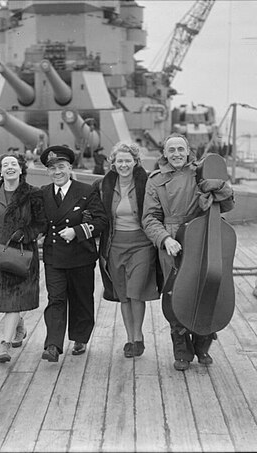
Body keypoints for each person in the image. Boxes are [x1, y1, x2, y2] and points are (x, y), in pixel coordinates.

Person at [142, 133, 234, 371]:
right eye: (171, 150)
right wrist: (165, 239)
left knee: (208, 285)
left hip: (202, 237)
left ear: (187, 151)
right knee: (176, 293)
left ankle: (202, 344)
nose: (176, 154)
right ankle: (182, 351)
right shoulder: (155, 180)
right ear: (164, 154)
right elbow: (150, 218)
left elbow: (226, 204)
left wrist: (222, 188)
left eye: (180, 149)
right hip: (173, 241)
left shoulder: (200, 173)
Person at [39, 145, 107, 362]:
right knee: (56, 299)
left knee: (81, 299)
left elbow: (101, 221)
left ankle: (80, 337)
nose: (57, 172)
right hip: (54, 257)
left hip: (80, 256)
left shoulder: (86, 191)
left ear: (70, 167)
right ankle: (53, 345)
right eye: (52, 169)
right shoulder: (44, 193)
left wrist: (77, 231)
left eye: (61, 167)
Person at [0, 153, 47, 363]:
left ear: (21, 169)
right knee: (3, 298)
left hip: (21, 253)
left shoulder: (32, 194)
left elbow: (41, 223)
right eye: (5, 164)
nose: (9, 167)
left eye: (14, 164)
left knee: (13, 300)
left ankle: (4, 344)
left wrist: (27, 233)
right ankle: (20, 326)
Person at [94, 142, 160, 358]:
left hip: (141, 245)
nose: (123, 165)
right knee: (123, 295)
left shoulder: (146, 182)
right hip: (114, 246)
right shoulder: (104, 185)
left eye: (127, 161)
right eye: (119, 161)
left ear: (135, 162)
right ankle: (129, 338)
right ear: (113, 163)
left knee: (136, 292)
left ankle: (139, 337)